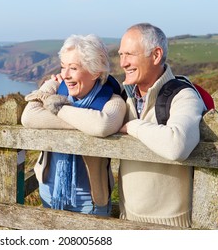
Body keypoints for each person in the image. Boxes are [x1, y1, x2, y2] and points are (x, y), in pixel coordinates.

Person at [21, 34, 126, 216]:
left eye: (73, 68)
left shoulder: (113, 101)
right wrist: (51, 83)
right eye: (63, 67)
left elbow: (102, 125)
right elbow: (29, 117)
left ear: (95, 71)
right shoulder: (58, 88)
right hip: (49, 192)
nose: (66, 75)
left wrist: (56, 107)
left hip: (90, 201)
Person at [117, 23, 206, 227]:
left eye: (129, 54)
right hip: (126, 218)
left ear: (156, 55)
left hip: (170, 225)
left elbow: (177, 145)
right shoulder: (125, 96)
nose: (123, 63)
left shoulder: (183, 95)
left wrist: (133, 126)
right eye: (121, 54)